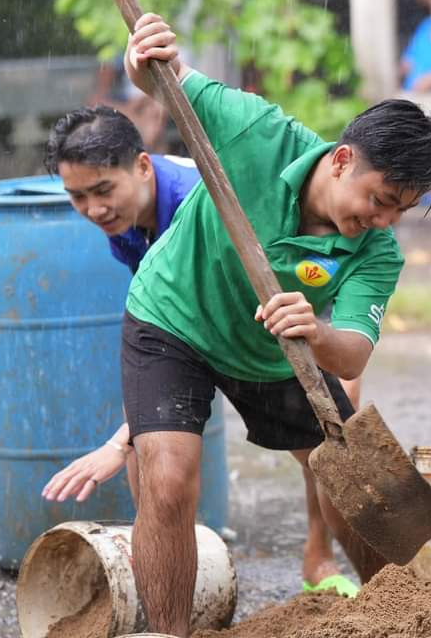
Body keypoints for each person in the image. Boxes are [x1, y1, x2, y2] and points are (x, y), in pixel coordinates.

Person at [118, 12, 431, 637]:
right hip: (174, 319)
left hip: (276, 354)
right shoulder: (255, 131)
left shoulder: (377, 252)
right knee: (166, 479)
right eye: (380, 199)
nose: (383, 220)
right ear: (342, 159)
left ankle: (406, 616)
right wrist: (145, 54)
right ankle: (168, 631)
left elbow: (351, 357)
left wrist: (315, 333)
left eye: (400, 212)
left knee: (362, 485)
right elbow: (161, 80)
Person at [38, 106, 362, 597]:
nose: (93, 209)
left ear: (143, 167)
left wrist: (115, 441)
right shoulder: (125, 223)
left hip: (296, 309)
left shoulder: (197, 201)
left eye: (103, 191)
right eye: (77, 197)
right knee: (147, 457)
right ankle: (166, 586)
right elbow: (163, 337)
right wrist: (126, 440)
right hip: (213, 321)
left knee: (328, 448)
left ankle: (319, 557)